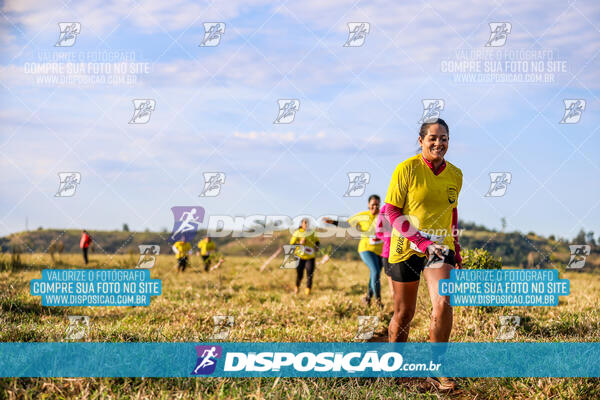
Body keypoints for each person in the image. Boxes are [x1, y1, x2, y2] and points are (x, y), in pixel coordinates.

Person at [384, 118, 462, 391]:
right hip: (406, 246)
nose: (438, 143)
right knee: (405, 313)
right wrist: (419, 240)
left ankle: (437, 370)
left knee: (443, 303)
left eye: (444, 138)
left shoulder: (456, 174)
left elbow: (451, 214)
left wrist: (458, 253)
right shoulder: (406, 169)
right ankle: (394, 369)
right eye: (433, 138)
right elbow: (391, 212)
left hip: (440, 248)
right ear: (421, 141)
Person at [324, 195, 384, 307]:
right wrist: (334, 222)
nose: (375, 207)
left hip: (380, 251)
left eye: (377, 204)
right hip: (366, 249)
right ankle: (378, 302)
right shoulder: (362, 216)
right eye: (372, 204)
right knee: (375, 271)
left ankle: (367, 298)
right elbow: (348, 224)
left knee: (374, 275)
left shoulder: (383, 216)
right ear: (368, 205)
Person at [289, 218, 320, 295]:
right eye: (305, 223)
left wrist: (316, 246)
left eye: (307, 223)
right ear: (301, 224)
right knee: (300, 274)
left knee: (310, 274)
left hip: (310, 257)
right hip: (300, 256)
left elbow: (317, 242)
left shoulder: (312, 233)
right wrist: (300, 243)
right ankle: (297, 287)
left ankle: (308, 292)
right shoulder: (297, 233)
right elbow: (292, 244)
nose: (306, 224)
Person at [375, 203, 394, 299]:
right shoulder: (385, 208)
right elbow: (378, 231)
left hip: (404, 253)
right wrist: (388, 238)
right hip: (388, 253)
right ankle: (397, 308)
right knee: (393, 287)